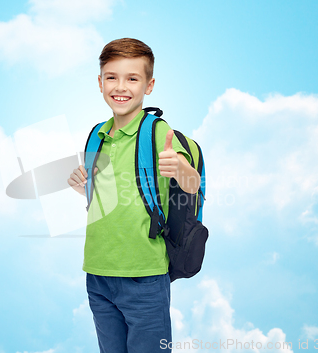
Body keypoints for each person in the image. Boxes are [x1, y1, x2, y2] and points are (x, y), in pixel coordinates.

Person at [67, 38, 201, 353]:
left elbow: (193, 184)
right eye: (112, 77)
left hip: (143, 275)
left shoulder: (157, 132)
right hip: (97, 272)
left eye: (132, 78)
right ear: (100, 82)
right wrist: (80, 184)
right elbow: (102, 195)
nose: (120, 86)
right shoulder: (96, 133)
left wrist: (178, 166)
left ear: (149, 85)